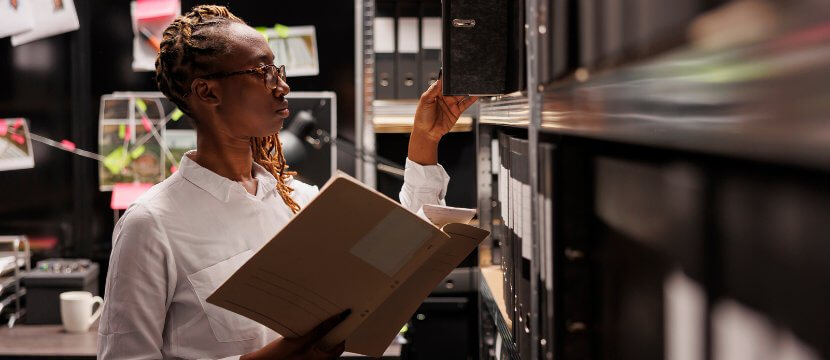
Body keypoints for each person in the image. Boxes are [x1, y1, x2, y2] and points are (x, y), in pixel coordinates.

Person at [97, 5, 477, 360]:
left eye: (277, 71)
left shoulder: (300, 201)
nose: (281, 87)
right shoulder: (151, 224)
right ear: (207, 91)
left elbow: (396, 262)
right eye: (261, 73)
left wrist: (425, 141)